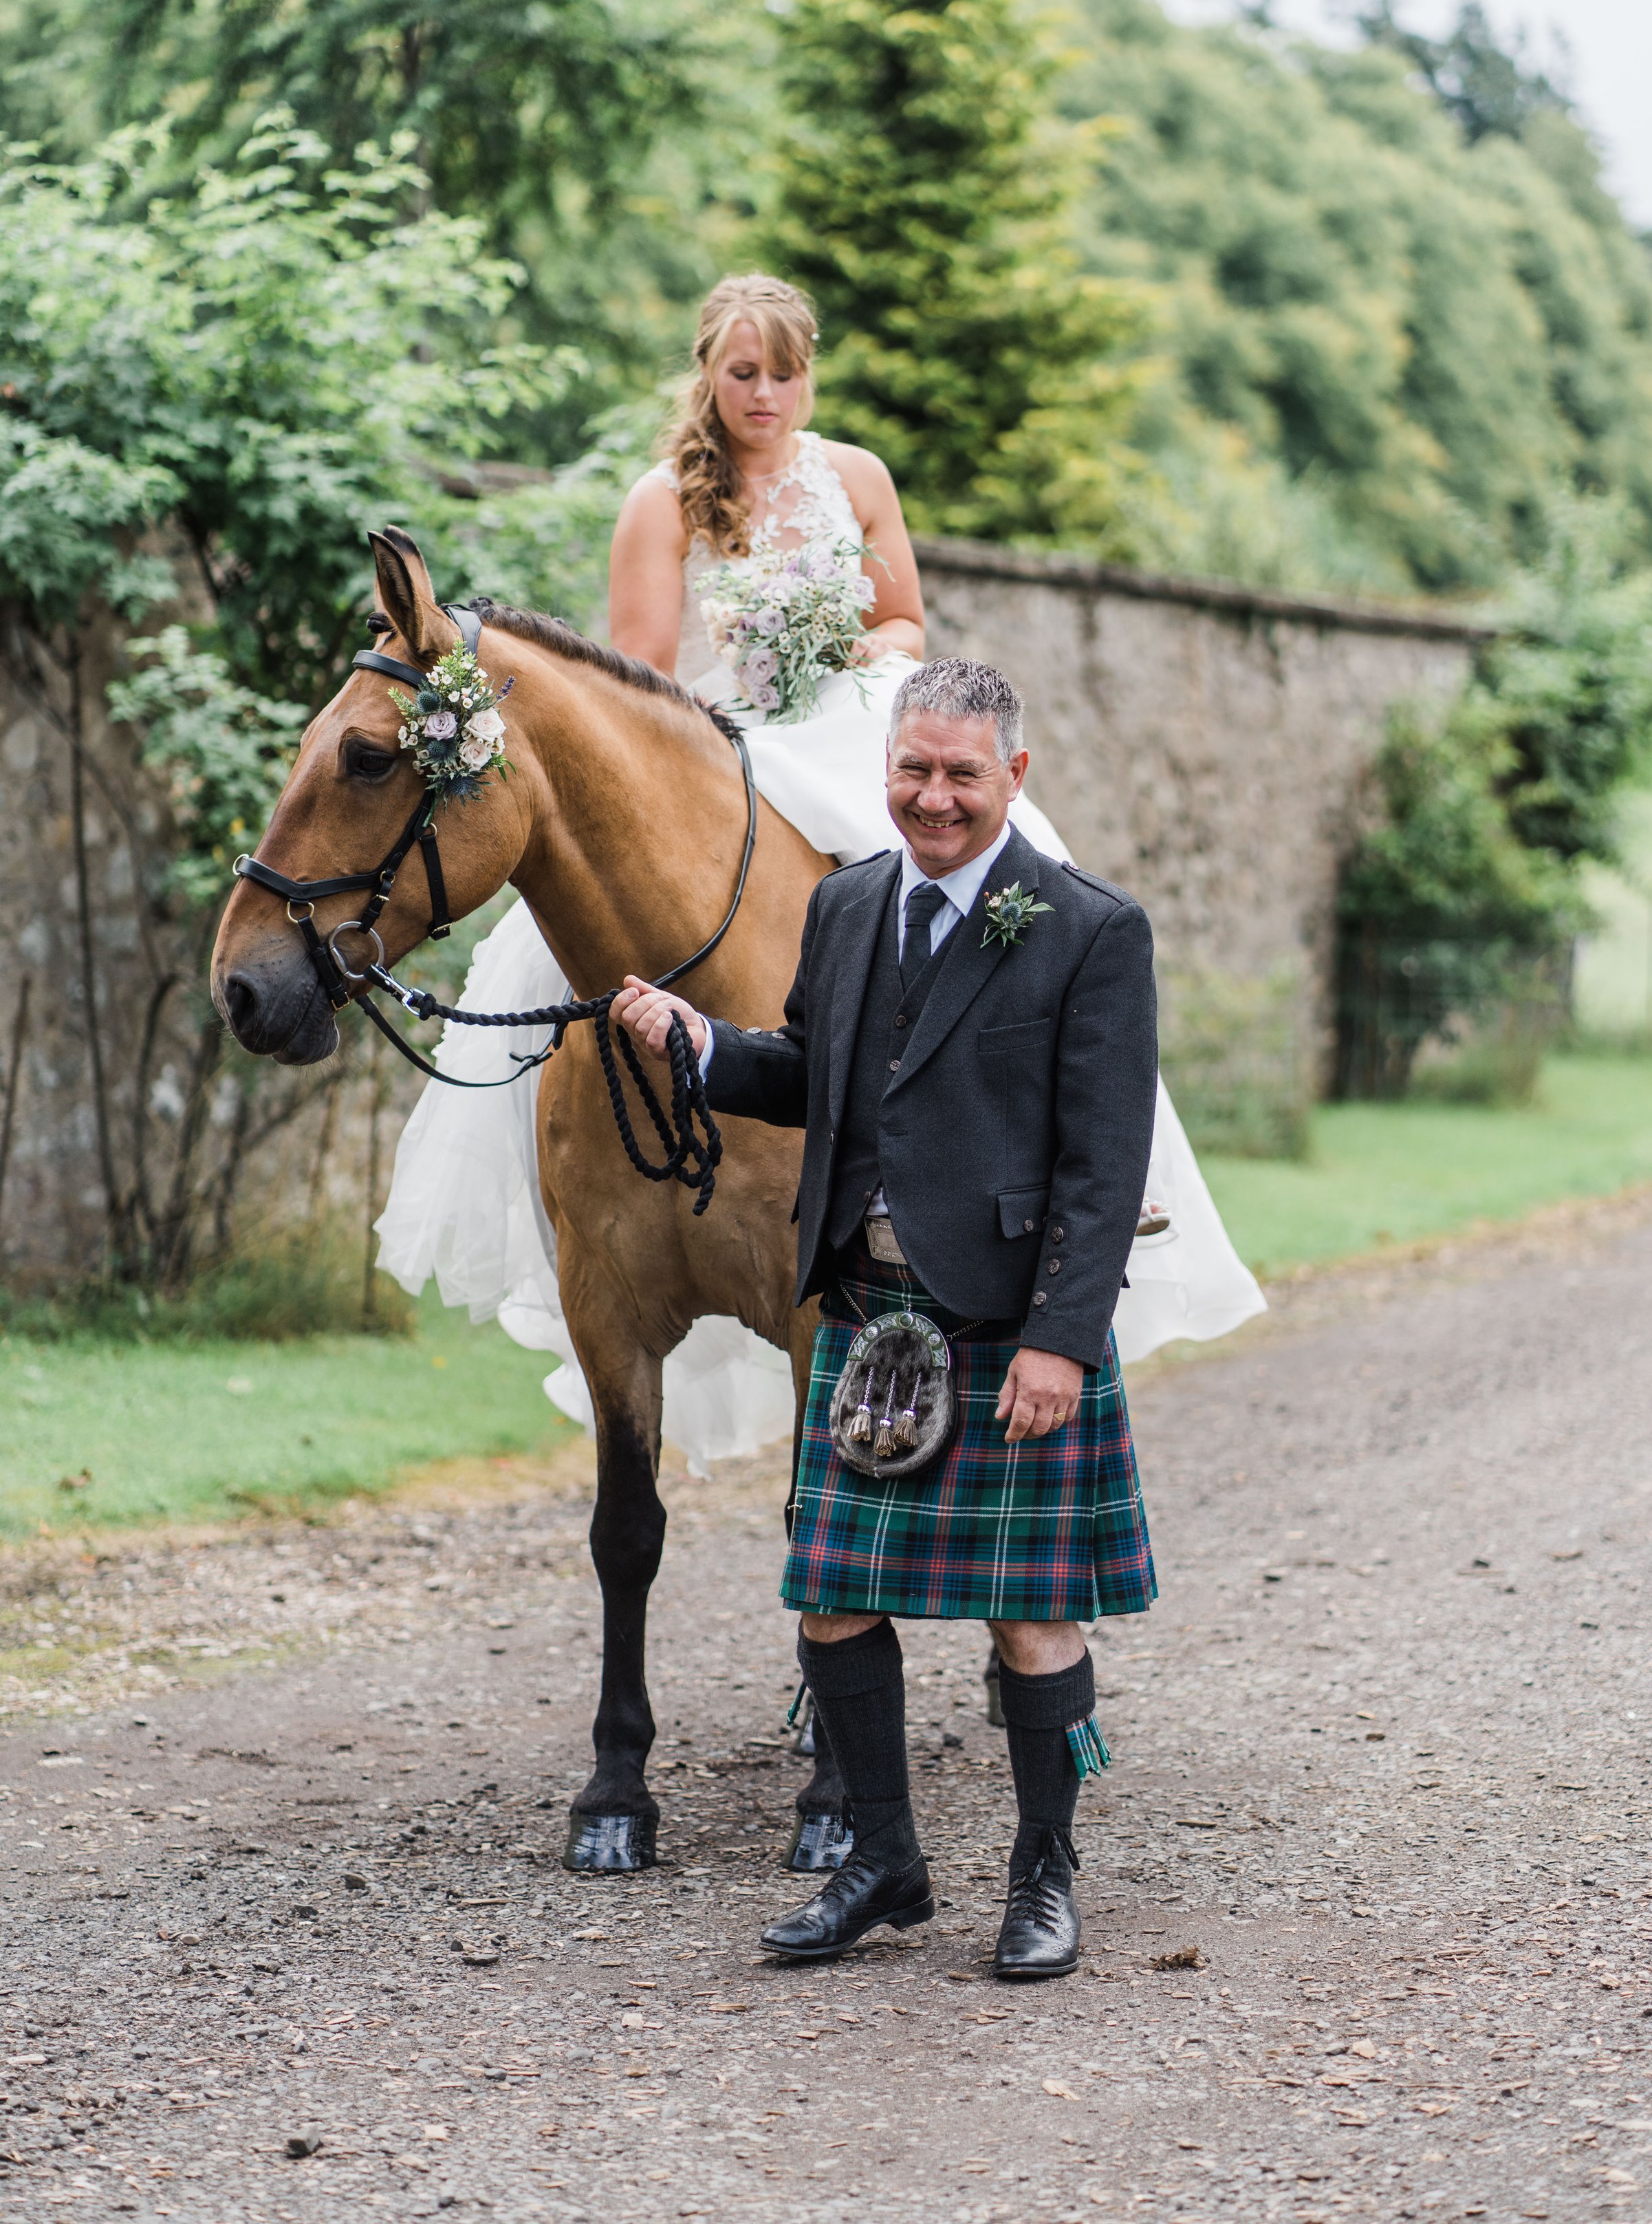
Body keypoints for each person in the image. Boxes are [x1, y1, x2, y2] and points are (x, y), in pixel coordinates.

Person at [375, 273, 1263, 1467]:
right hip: (714, 745)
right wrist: (741, 698)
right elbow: (636, 679)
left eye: (785, 372)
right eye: (743, 373)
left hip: (845, 716)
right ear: (709, 373)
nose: (766, 395)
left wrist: (838, 651)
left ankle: (1102, 1158)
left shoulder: (856, 476)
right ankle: (602, 1186)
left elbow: (905, 622)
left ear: (809, 374)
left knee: (1019, 858)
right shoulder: (660, 502)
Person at [614, 657, 1154, 1975]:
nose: (935, 796)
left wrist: (1060, 1341)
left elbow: (1104, 1158)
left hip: (1004, 1321)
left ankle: (1042, 1874)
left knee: (1030, 1611)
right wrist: (703, 1044)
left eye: (963, 773)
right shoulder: (850, 903)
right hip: (870, 1315)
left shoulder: (1086, 927)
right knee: (835, 1597)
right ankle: (884, 1857)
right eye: (915, 768)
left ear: (1012, 777)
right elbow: (818, 1074)